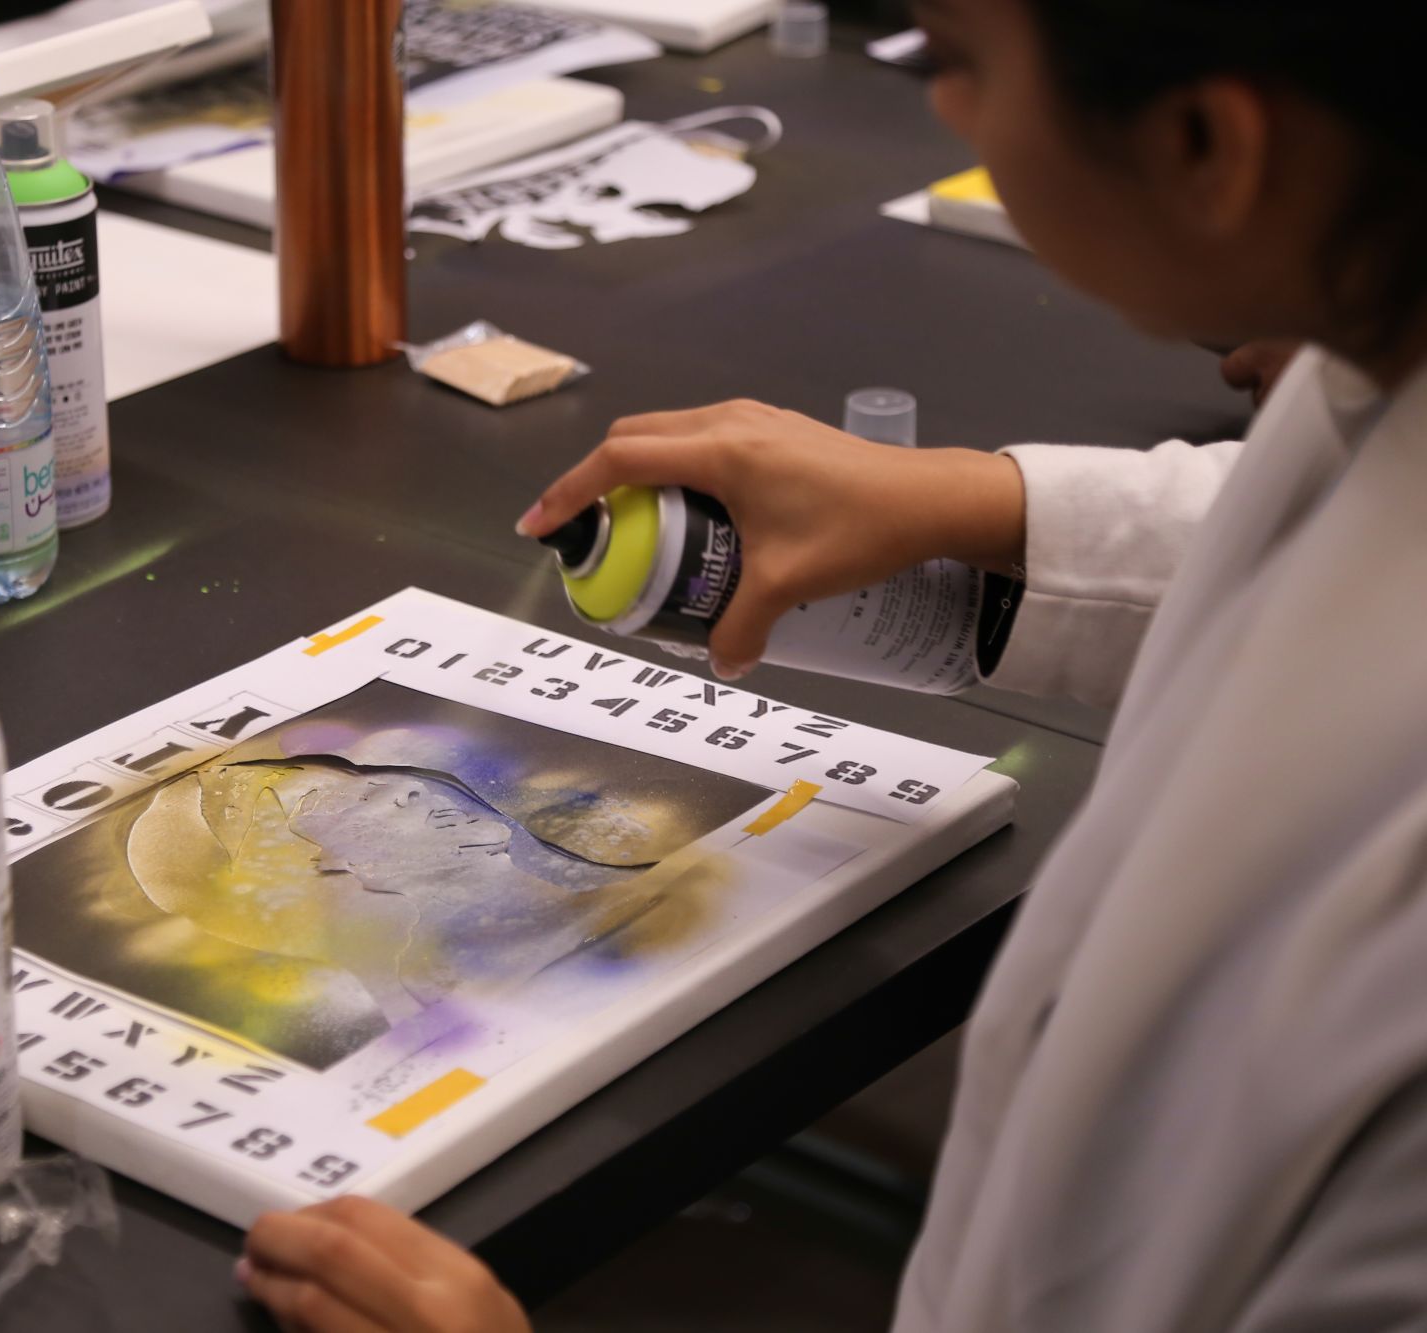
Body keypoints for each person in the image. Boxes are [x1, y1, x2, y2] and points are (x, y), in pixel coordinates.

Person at [236, 0, 1427, 1328]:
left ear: (1207, 147)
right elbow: (1326, 529)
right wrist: (981, 501)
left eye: (955, 62)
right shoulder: (1365, 375)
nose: (940, 110)